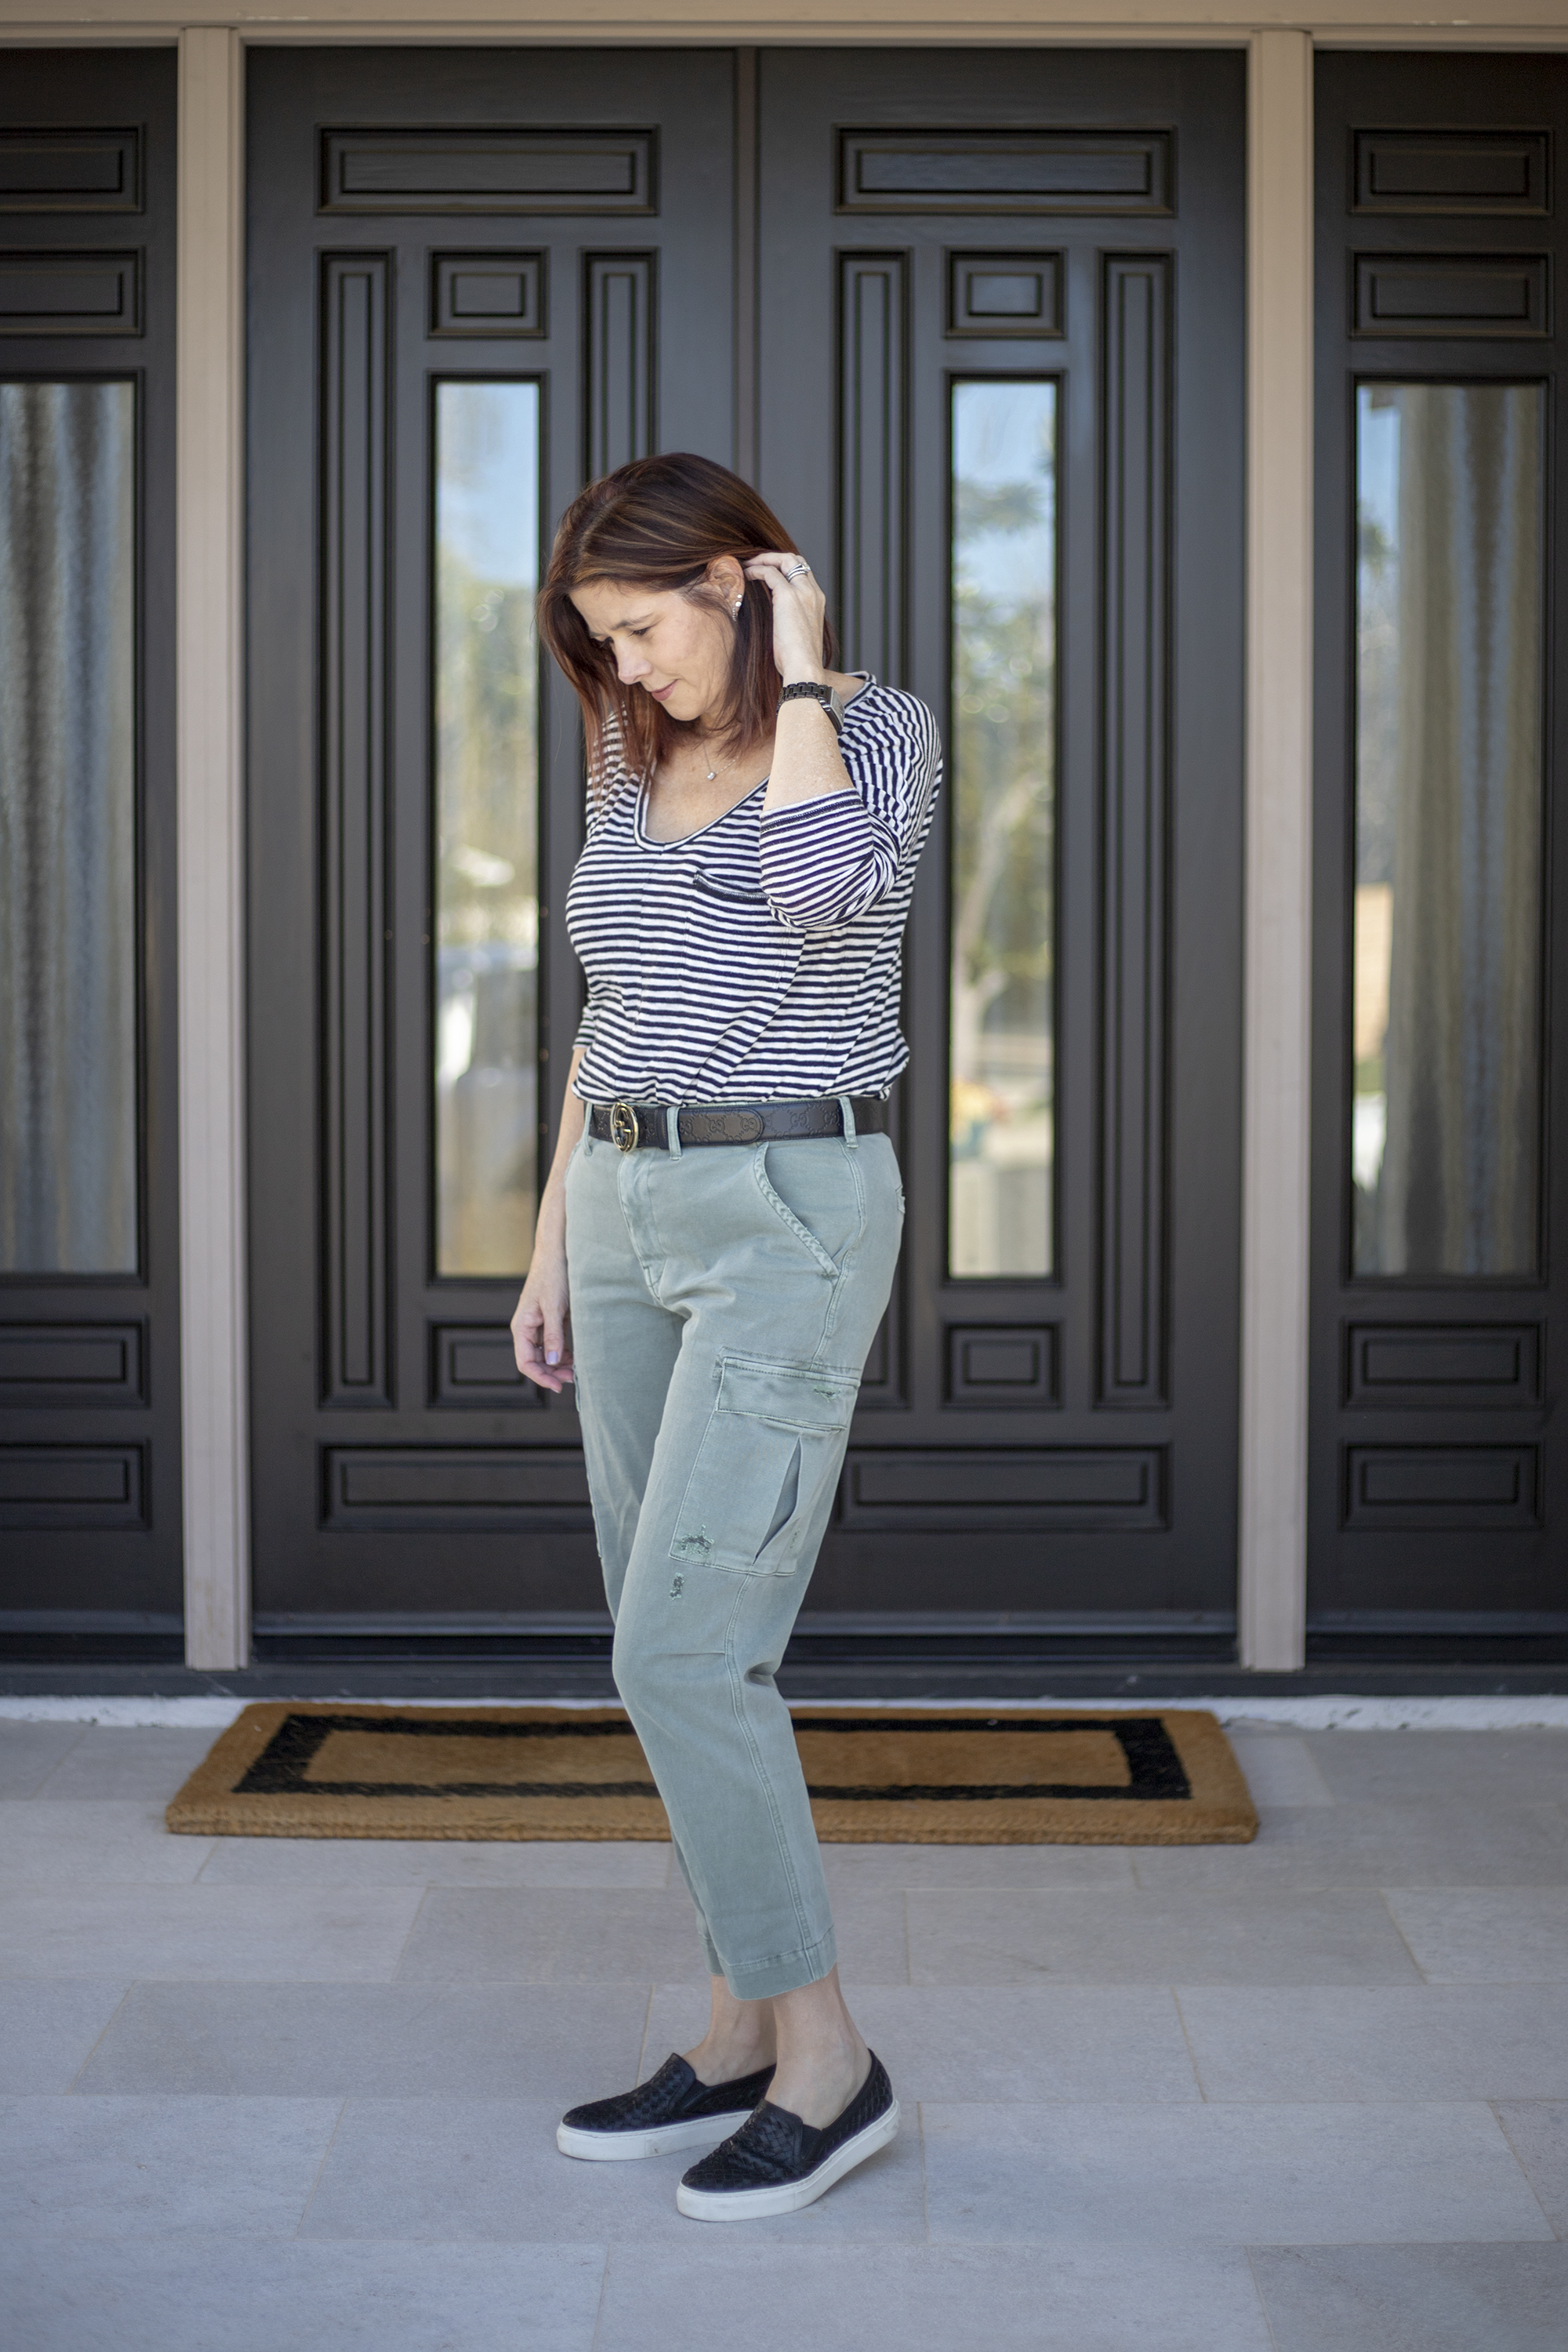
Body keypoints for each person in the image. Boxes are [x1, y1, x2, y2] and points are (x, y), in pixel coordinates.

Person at [511, 452, 940, 2222]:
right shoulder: (627, 751)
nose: (628, 669)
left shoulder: (878, 729)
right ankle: (735, 2026)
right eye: (602, 642)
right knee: (662, 1639)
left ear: (740, 582)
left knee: (687, 1651)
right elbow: (607, 1005)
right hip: (624, 1202)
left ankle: (830, 2059)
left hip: (788, 1208)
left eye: (647, 628)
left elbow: (823, 897)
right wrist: (553, 1238)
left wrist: (808, 675)